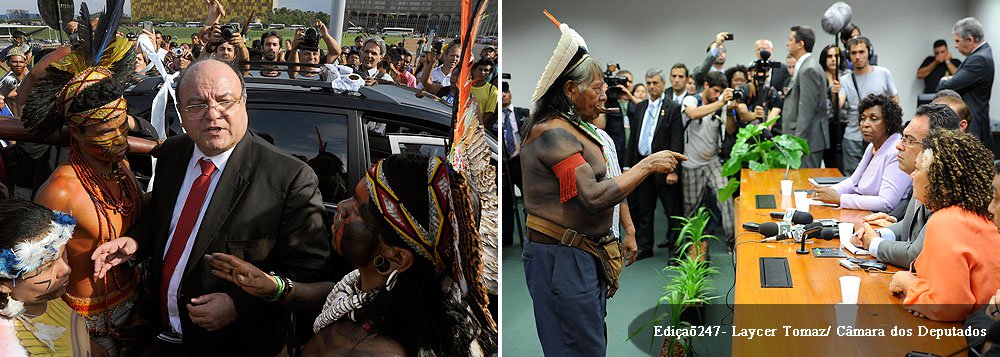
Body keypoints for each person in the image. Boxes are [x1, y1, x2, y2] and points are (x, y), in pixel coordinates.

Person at [92, 59, 332, 355]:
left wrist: (238, 305)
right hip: (160, 336)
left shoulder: (289, 178)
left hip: (236, 345)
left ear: (243, 103)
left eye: (224, 101)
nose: (212, 115)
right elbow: (163, 218)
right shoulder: (173, 153)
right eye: (196, 106)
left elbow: (308, 275)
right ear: (181, 113)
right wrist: (134, 242)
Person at [191, 153, 499, 356]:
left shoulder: (377, 351)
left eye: (359, 210)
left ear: (395, 258)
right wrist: (275, 288)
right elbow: (339, 295)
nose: (342, 207)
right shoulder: (388, 294)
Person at [520, 22, 685, 355]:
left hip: (579, 257)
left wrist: (625, 231)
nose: (605, 95)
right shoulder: (552, 133)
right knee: (578, 347)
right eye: (597, 88)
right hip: (561, 261)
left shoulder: (573, 128)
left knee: (588, 342)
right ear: (570, 90)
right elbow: (593, 197)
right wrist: (647, 165)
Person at [20, 27, 142, 355]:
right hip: (85, 323)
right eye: (106, 131)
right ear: (77, 130)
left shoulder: (122, 165)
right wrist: (78, 339)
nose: (120, 140)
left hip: (134, 308)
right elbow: (32, 280)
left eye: (122, 125)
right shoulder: (60, 193)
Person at [888, 129, 1000, 322]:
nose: (912, 175)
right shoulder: (974, 214)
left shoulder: (945, 222)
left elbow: (949, 308)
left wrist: (908, 285)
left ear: (938, 180)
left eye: (918, 169)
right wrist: (926, 297)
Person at [851, 104, 962, 269]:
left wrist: (874, 243)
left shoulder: (949, 191)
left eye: (909, 141)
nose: (899, 146)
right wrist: (877, 234)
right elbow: (907, 226)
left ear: (937, 147)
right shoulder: (919, 177)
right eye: (903, 137)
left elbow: (917, 254)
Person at [0, 200, 91, 356]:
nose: (66, 269)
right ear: (3, 283)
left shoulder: (52, 301)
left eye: (63, 254)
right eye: (47, 266)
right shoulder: (8, 345)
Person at [624, 68, 686, 259]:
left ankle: (675, 252)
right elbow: (633, 139)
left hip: (665, 169)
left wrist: (673, 171)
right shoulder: (640, 107)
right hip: (643, 168)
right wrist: (628, 166)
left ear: (663, 84)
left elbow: (677, 140)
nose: (651, 87)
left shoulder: (672, 107)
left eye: (655, 83)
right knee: (644, 210)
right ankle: (645, 247)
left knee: (672, 212)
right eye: (648, 83)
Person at [814, 94, 910, 213]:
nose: (865, 124)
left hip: (880, 218)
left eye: (873, 119)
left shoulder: (896, 150)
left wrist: (839, 198)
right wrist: (829, 192)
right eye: (863, 118)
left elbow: (886, 203)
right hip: (863, 212)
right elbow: (853, 181)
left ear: (889, 122)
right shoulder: (872, 146)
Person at [680, 71, 737, 246]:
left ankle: (732, 242)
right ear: (705, 86)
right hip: (691, 164)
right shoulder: (691, 100)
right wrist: (720, 102)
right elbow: (693, 114)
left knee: (726, 199)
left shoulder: (719, 104)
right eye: (714, 90)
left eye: (720, 92)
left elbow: (730, 131)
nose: (716, 95)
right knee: (690, 207)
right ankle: (688, 244)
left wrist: (728, 110)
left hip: (713, 162)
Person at [837, 36, 900, 175]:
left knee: (878, 175)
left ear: (869, 52)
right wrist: (833, 94)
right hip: (853, 137)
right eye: (853, 53)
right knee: (851, 177)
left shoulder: (883, 73)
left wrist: (887, 120)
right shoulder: (844, 80)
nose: (857, 57)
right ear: (848, 56)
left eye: (861, 52)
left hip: (880, 136)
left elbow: (895, 97)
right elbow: (839, 105)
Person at [938, 17, 995, 157]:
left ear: (970, 40)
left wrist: (944, 79)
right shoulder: (980, 54)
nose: (955, 46)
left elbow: (947, 86)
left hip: (973, 125)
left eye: (957, 41)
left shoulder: (979, 59)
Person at [783, 25, 829, 168]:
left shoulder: (808, 69)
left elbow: (806, 110)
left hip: (807, 141)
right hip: (806, 139)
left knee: (804, 185)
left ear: (800, 44)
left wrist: (798, 143)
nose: (787, 43)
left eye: (790, 39)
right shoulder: (805, 66)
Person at [819, 44, 846, 173]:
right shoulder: (819, 76)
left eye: (836, 56)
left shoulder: (846, 76)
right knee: (829, 162)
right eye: (829, 56)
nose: (833, 59)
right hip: (825, 125)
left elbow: (840, 105)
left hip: (843, 126)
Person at [470, 58, 498, 130]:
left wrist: (478, 127)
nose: (482, 72)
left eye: (486, 70)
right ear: (474, 70)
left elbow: (489, 113)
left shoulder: (492, 90)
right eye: (480, 69)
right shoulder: (465, 86)